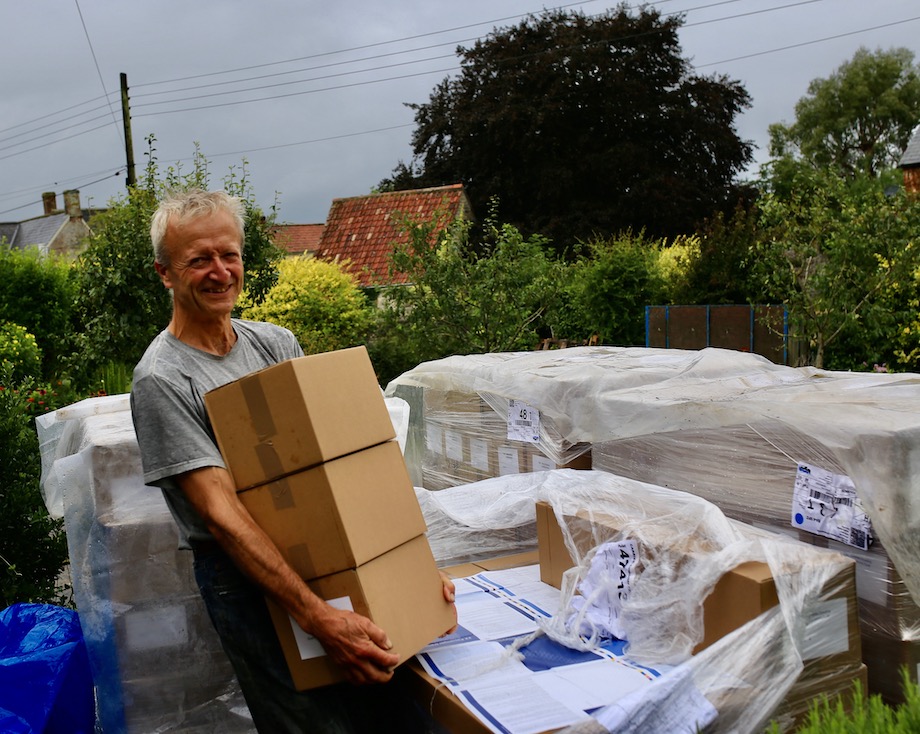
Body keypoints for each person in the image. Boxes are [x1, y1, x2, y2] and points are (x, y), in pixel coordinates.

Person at [130, 189, 456, 733]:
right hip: (247, 581)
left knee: (398, 710)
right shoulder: (163, 378)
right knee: (315, 727)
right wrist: (317, 616)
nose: (219, 271)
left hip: (325, 551)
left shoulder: (275, 344)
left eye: (228, 255)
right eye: (199, 260)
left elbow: (339, 469)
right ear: (165, 273)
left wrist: (409, 573)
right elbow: (222, 515)